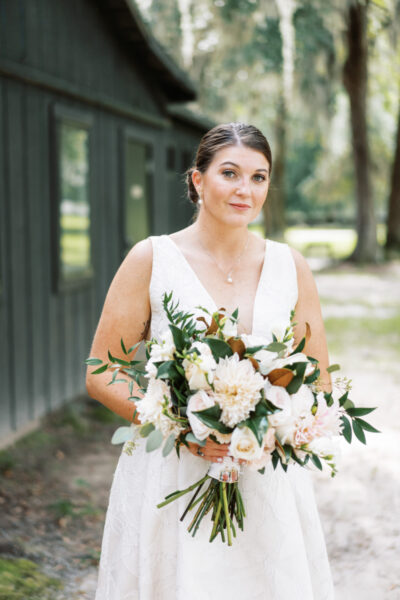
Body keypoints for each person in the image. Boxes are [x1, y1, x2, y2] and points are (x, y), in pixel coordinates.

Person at [86, 122, 335, 599]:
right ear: (197, 181)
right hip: (170, 471)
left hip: (265, 476)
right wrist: (183, 427)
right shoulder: (152, 259)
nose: (246, 189)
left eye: (259, 177)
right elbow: (101, 371)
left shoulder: (290, 266)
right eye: (230, 173)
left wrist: (277, 427)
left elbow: (317, 379)